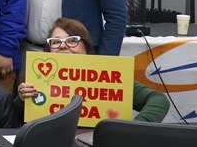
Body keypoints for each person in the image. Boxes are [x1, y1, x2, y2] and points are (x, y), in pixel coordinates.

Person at [16, 18, 169, 123]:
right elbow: (18, 116)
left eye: (72, 40)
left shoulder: (107, 76)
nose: (62, 46)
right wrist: (22, 99)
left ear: (87, 47)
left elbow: (159, 100)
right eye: (55, 42)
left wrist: (135, 128)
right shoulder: (40, 77)